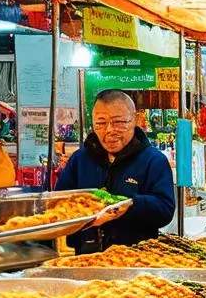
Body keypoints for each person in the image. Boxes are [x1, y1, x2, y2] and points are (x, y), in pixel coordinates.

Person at [56, 89, 175, 252]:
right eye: (101, 123)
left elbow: (165, 210)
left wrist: (131, 204)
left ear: (134, 120)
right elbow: (60, 202)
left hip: (137, 259)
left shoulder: (153, 160)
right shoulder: (80, 159)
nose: (109, 130)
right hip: (86, 260)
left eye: (118, 122)